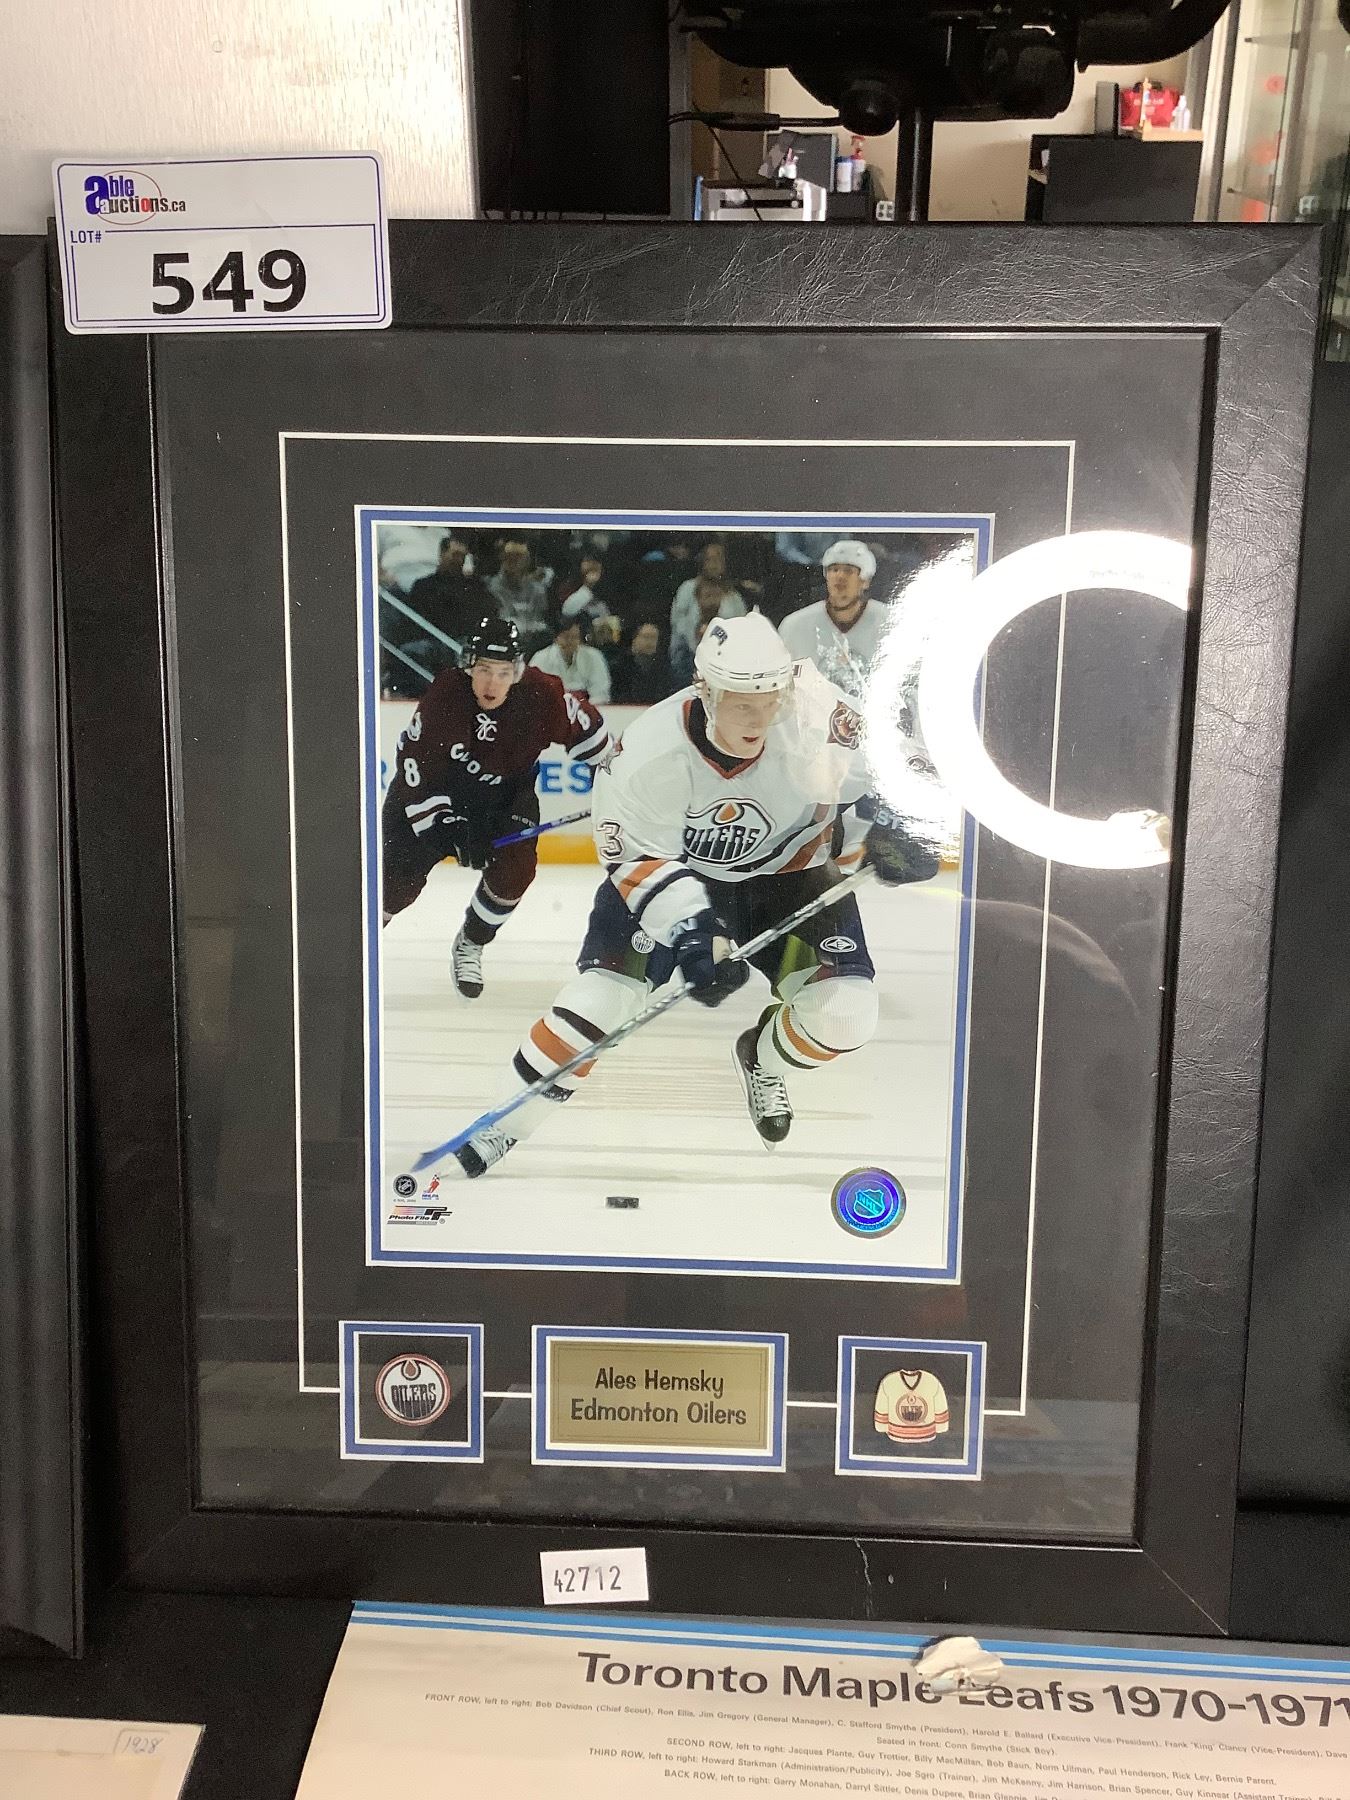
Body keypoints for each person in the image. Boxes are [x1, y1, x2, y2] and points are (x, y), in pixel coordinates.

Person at [448, 612, 937, 1177]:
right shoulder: (650, 751)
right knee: (598, 1004)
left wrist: (906, 825)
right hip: (682, 879)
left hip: (792, 878)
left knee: (847, 1016)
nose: (758, 718)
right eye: (740, 703)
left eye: (769, 701)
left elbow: (909, 769)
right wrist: (693, 934)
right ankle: (504, 1124)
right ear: (705, 690)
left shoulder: (819, 712)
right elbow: (636, 861)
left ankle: (762, 1057)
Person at [382, 617, 610, 999]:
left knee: (515, 871)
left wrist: (612, 777)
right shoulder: (446, 696)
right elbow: (415, 770)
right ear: (469, 666)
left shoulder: (540, 694)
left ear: (517, 671)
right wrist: (449, 827)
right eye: (485, 670)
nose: (492, 684)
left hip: (505, 799)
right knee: (393, 885)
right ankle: (358, 946)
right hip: (433, 796)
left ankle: (471, 943)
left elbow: (589, 728)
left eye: (503, 673)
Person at [778, 539, 887, 698]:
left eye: (848, 571)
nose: (840, 576)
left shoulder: (890, 622)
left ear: (865, 581)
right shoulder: (794, 625)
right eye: (834, 570)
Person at [669, 542, 747, 683]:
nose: (714, 564)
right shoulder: (687, 588)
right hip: (687, 658)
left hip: (724, 661)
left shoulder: (734, 597)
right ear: (702, 562)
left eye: (718, 560)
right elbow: (677, 624)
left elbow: (741, 630)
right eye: (710, 559)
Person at [407, 536, 494, 648]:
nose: (458, 560)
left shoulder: (474, 587)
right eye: (455, 554)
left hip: (468, 642)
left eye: (462, 556)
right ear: (442, 554)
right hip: (435, 642)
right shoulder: (423, 586)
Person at [486, 539, 551, 647]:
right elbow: (504, 620)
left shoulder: (538, 589)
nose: (513, 561)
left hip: (533, 642)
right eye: (509, 557)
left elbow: (540, 621)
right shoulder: (492, 587)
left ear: (527, 561)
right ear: (502, 558)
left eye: (518, 557)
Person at [529, 620, 612, 703]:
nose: (569, 642)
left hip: (586, 707)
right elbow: (533, 691)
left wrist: (586, 707)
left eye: (574, 637)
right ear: (556, 638)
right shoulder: (541, 658)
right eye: (565, 637)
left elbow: (600, 691)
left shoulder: (593, 656)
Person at [611, 619, 672, 705]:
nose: (650, 642)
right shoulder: (619, 667)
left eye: (654, 638)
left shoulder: (663, 667)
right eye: (646, 637)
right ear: (634, 639)